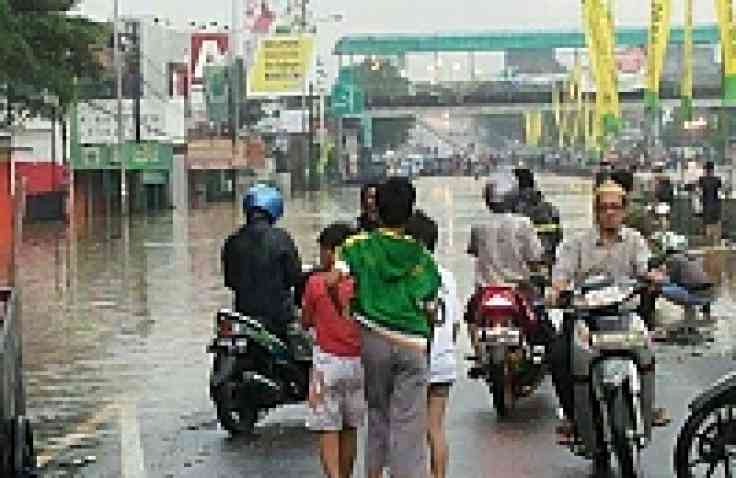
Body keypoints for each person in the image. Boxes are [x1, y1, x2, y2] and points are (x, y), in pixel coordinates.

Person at [332, 177, 441, 478]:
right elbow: (429, 302)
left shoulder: (357, 246)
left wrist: (347, 309)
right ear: (410, 213)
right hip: (413, 344)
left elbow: (335, 279)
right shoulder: (421, 256)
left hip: (374, 340)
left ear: (375, 209)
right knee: (409, 424)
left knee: (378, 415)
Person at [548, 178, 669, 442]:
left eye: (615, 207)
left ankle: (648, 408)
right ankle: (572, 417)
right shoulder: (577, 244)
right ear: (596, 211)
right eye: (604, 208)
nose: (610, 212)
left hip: (624, 316)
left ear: (623, 211)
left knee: (647, 353)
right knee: (558, 356)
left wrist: (653, 277)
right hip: (584, 316)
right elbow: (561, 275)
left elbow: (644, 268)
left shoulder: (635, 241)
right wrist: (557, 290)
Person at [302, 223, 364, 478]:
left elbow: (305, 321)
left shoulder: (315, 283)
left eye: (322, 250)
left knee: (328, 428)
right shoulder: (362, 283)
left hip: (327, 364)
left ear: (332, 252)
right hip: (358, 363)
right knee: (350, 428)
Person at [405, 210, 460, 478]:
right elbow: (456, 324)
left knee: (408, 432)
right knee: (435, 428)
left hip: (412, 363)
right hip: (443, 362)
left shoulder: (404, 278)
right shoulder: (447, 277)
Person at [466, 177, 544, 357]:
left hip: (486, 289)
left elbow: (474, 251)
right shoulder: (523, 223)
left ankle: (479, 355)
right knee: (540, 324)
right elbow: (535, 257)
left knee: (471, 318)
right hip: (518, 289)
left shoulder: (478, 225)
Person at [221, 183, 301, 341]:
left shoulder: (232, 241)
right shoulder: (282, 238)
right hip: (278, 318)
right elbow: (293, 277)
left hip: (244, 316)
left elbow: (230, 281)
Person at [698, 161, 723, 246]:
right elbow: (720, 193)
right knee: (716, 225)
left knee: (708, 225)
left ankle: (709, 245)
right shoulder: (717, 180)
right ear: (713, 169)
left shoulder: (702, 180)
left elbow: (699, 193)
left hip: (706, 205)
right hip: (716, 205)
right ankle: (716, 244)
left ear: (705, 170)